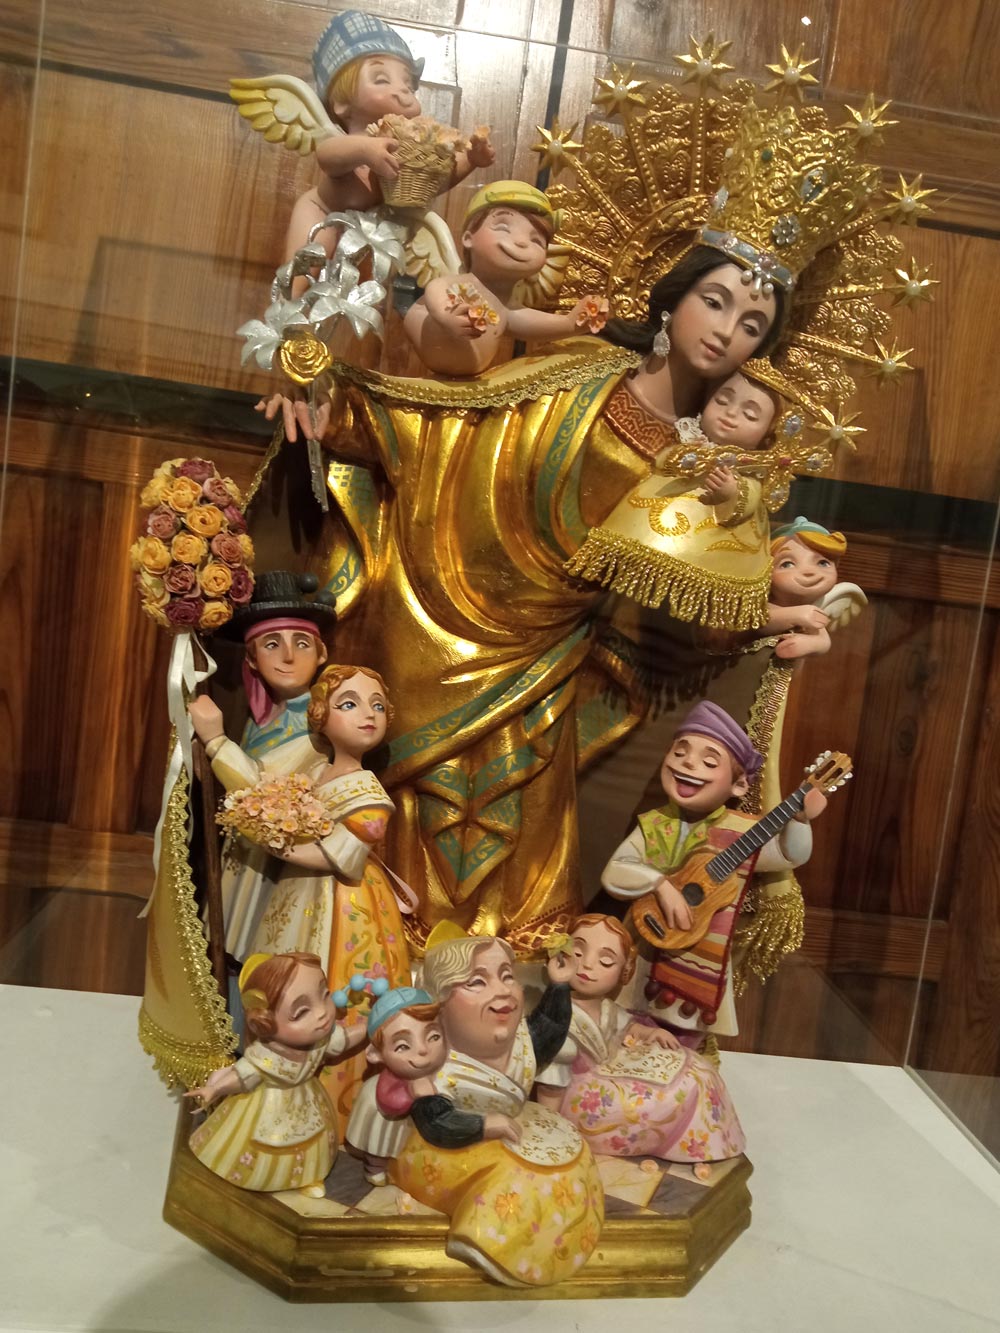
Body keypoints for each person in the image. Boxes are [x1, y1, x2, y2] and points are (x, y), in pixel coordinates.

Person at [297, 245, 788, 952]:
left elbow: (706, 604)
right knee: (412, 809)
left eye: (751, 324)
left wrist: (780, 619)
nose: (725, 330)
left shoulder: (714, 469)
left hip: (559, 653)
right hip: (443, 610)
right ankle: (385, 956)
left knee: (518, 827)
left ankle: (513, 975)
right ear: (673, 299)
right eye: (714, 302)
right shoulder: (580, 371)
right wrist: (335, 402)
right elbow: (456, 418)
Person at [190, 662, 411, 1115]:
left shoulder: (369, 793)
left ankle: (329, 1090)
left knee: (331, 974)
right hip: (297, 895)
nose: (367, 715)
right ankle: (268, 1068)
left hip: (344, 903)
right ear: (320, 717)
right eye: (349, 704)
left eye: (377, 706)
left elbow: (342, 856)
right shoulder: (315, 772)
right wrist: (217, 747)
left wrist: (271, 836)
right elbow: (262, 789)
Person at [386, 930, 604, 1287]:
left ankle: (546, 1251)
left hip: (510, 1127)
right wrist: (484, 1126)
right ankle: (489, 1240)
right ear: (439, 1004)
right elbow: (436, 1122)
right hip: (452, 1151)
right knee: (524, 1184)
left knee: (568, 1161)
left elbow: (549, 1029)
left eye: (507, 976)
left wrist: (559, 987)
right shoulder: (431, 1065)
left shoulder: (521, 1042)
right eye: (477, 981)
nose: (502, 991)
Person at [602, 700, 826, 1041]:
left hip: (698, 953)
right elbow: (615, 872)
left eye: (709, 762)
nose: (689, 763)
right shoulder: (653, 824)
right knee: (627, 1013)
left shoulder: (739, 833)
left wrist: (800, 820)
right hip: (644, 940)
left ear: (739, 786)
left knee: (683, 1032)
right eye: (680, 753)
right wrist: (661, 885)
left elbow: (786, 853)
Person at [564, 367, 782, 625]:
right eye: (722, 400)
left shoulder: (748, 470)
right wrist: (681, 457)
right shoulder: (691, 440)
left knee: (672, 614)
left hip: (706, 553)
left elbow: (748, 500)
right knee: (621, 597)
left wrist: (731, 492)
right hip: (645, 530)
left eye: (750, 415)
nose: (730, 414)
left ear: (766, 435)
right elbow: (662, 462)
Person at [537, 914, 746, 1165]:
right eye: (578, 953)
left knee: (697, 1067)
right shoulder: (556, 1012)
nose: (587, 965)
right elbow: (550, 1080)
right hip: (578, 1099)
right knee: (682, 1089)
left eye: (605, 961)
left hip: (609, 1069)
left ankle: (707, 1144)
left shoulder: (606, 1008)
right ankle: (689, 1143)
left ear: (624, 971)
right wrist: (549, 1125)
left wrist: (650, 1033)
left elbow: (627, 1026)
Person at [186, 952, 367, 1194]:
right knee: (267, 1145)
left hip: (308, 1100)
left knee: (313, 1142)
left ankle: (310, 1176)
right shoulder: (265, 1057)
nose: (322, 1013)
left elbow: (345, 1039)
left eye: (325, 995)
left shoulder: (319, 1044)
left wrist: (370, 1026)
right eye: (301, 1012)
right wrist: (215, 1088)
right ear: (264, 1024)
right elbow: (242, 1076)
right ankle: (260, 1177)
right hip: (269, 1106)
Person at [403, 181, 607, 376]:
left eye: (536, 240)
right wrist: (446, 316)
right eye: (502, 228)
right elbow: (436, 289)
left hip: (476, 383)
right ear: (468, 238)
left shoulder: (506, 307)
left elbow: (528, 323)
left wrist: (571, 323)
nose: (521, 242)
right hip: (436, 339)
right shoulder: (460, 283)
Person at [344, 985, 520, 1184]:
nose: (423, 1050)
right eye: (403, 1046)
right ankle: (374, 1167)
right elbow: (388, 1102)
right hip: (385, 1116)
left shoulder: (449, 1063)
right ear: (375, 1054)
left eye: (433, 1037)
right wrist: (410, 1091)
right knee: (379, 1144)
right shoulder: (391, 1079)